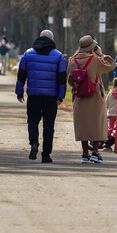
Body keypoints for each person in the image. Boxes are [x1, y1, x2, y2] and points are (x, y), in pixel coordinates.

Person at [15, 30, 67, 163]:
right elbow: (62, 78)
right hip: (51, 97)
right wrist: (60, 96)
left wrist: (19, 92)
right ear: (52, 40)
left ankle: (34, 143)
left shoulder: (28, 54)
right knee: (49, 125)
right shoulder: (58, 56)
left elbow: (21, 75)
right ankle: (46, 154)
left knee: (32, 121)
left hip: (34, 95)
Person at [69, 35, 116, 163]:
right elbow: (111, 65)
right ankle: (95, 152)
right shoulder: (94, 59)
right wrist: (102, 55)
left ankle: (85, 154)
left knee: (83, 125)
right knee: (97, 124)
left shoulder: (72, 60)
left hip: (79, 97)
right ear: (92, 47)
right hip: (95, 96)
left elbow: (70, 79)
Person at [104, 77, 117, 149]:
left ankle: (107, 141)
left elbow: (106, 103)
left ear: (113, 84)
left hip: (110, 114)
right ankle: (116, 143)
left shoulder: (110, 93)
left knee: (110, 128)